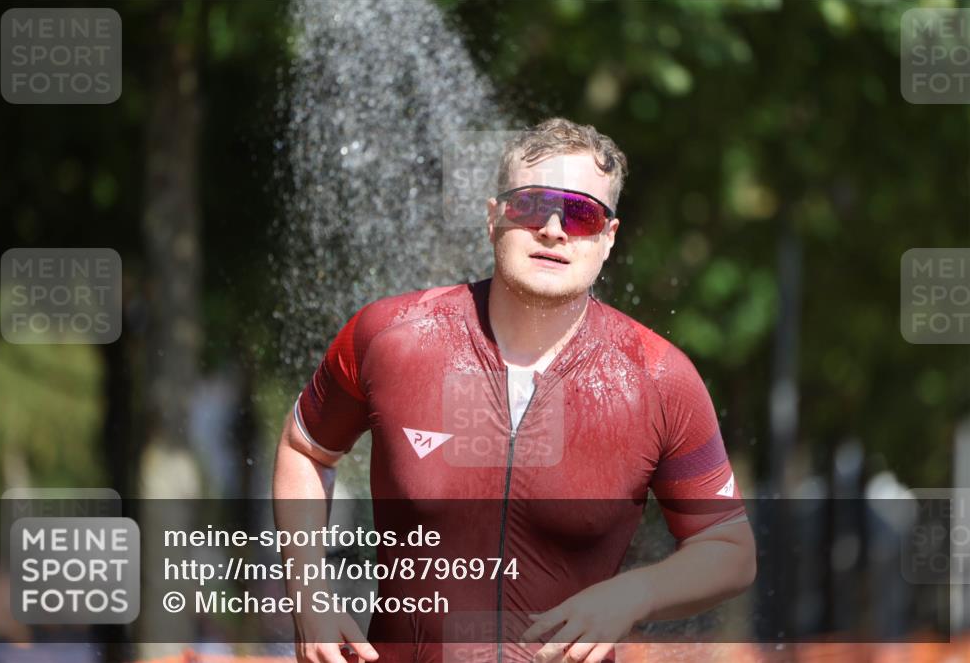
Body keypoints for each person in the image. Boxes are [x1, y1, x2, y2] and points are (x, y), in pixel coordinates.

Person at [273, 118, 756, 663]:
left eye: (581, 213)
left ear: (607, 238)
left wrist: (634, 595)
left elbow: (729, 549)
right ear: (493, 218)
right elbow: (305, 448)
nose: (553, 228)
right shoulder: (392, 337)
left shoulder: (657, 378)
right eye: (530, 205)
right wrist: (309, 592)